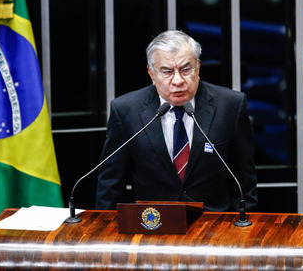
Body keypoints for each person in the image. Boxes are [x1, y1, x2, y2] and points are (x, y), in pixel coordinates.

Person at [95, 30, 258, 212]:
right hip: (152, 225)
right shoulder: (126, 110)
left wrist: (244, 230)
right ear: (152, 73)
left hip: (214, 227)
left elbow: (244, 182)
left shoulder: (230, 106)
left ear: (198, 67)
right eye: (167, 72)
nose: (178, 80)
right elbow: (111, 183)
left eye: (186, 69)